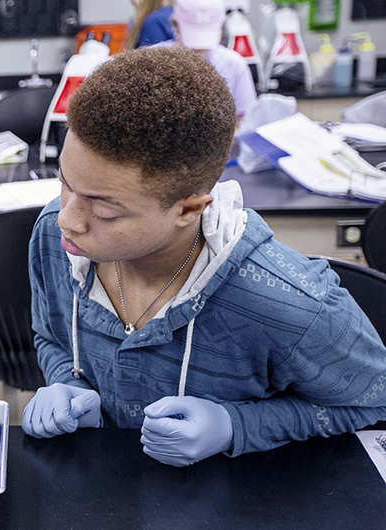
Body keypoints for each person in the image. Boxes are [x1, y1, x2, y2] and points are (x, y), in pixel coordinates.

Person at [24, 46, 386, 467]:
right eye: (64, 183)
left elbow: (372, 403)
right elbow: (50, 335)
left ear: (190, 209)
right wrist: (66, 382)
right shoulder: (57, 239)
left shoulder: (290, 305)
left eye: (105, 211)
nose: (68, 219)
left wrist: (235, 425)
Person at [158, 0, 256, 120]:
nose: (199, 49)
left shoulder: (234, 65)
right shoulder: (153, 62)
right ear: (175, 26)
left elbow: (244, 121)